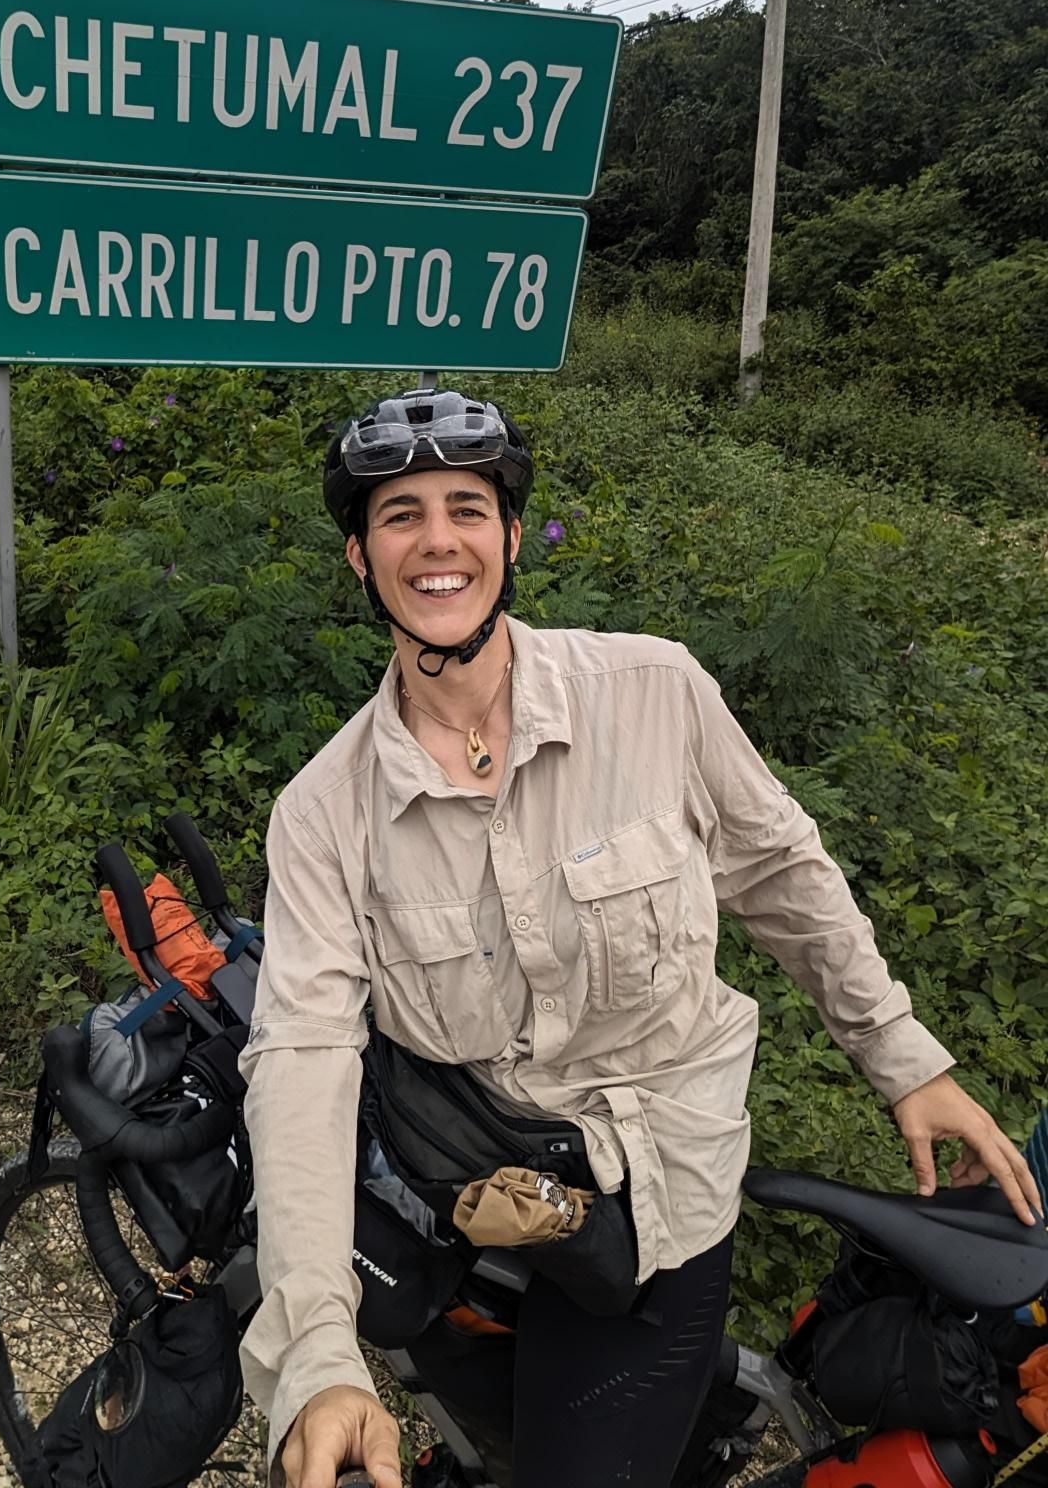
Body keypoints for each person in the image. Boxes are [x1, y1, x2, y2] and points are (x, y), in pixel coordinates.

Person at [238, 387, 1042, 1488]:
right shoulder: (325, 812)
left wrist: (902, 1057)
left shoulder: (656, 693)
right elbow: (303, 1057)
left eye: (467, 508)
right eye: (400, 514)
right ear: (359, 558)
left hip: (661, 1196)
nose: (437, 541)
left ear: (511, 537)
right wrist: (320, 1356)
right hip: (482, 1177)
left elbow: (779, 871)